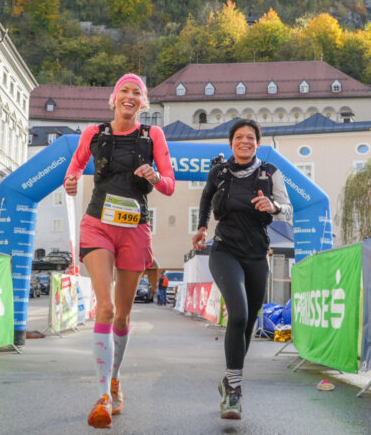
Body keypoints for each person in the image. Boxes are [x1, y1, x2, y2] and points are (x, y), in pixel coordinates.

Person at [63, 73, 175, 429]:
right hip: (97, 224)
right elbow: (76, 166)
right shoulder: (94, 134)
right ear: (114, 98)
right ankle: (102, 397)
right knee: (106, 307)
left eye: (136, 93)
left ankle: (115, 377)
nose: (130, 96)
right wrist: (70, 180)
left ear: (143, 103)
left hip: (135, 229)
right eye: (124, 91)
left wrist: (156, 177)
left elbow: (170, 185)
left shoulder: (152, 135)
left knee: (123, 316)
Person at [191, 118, 292, 420]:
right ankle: (234, 391)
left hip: (256, 254)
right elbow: (207, 197)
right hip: (224, 251)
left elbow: (287, 210)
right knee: (238, 314)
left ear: (258, 143)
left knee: (248, 324)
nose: (244, 141)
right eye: (238, 137)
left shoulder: (270, 174)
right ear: (231, 142)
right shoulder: (220, 172)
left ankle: (228, 380)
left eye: (250, 137)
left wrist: (272, 208)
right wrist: (200, 227)